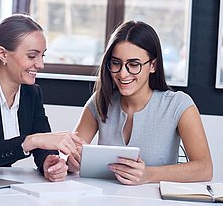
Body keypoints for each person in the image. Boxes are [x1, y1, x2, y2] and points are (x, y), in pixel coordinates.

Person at [67, 20, 213, 185]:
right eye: (116, 63)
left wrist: (149, 174)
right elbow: (71, 154)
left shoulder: (178, 105)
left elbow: (205, 168)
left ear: (153, 65)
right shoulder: (100, 101)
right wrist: (71, 162)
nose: (123, 73)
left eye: (133, 64)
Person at [0, 14, 84, 182]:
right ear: (3, 54)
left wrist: (48, 163)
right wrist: (30, 141)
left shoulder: (32, 93)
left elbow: (43, 145)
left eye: (43, 55)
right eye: (32, 56)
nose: (40, 64)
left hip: (5, 187)